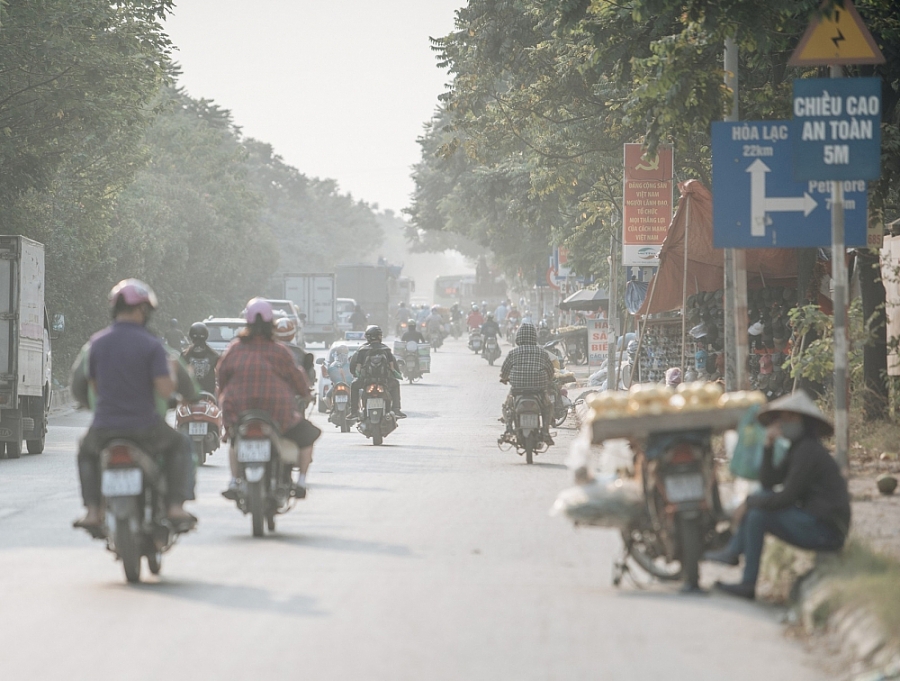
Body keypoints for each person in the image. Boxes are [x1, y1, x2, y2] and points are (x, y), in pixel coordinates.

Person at [73, 279, 197, 535]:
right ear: (142, 310)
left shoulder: (96, 343)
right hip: (145, 428)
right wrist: (172, 375)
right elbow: (164, 389)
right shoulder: (151, 345)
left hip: (104, 428)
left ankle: (93, 511)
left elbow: (94, 388)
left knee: (86, 451)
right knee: (180, 444)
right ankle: (175, 507)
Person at [705, 390, 850, 600]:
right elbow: (768, 481)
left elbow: (786, 497)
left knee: (757, 515)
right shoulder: (797, 449)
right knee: (761, 497)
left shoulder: (808, 452)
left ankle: (745, 579)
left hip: (826, 531)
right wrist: (768, 446)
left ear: (804, 422)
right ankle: (733, 552)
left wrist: (748, 502)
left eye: (790, 418)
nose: (783, 423)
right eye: (782, 418)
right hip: (812, 521)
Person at [217, 298, 321, 499]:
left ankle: (232, 480)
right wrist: (306, 394)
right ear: (271, 323)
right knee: (309, 435)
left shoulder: (234, 349)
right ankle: (301, 481)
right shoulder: (280, 350)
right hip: (277, 412)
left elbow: (221, 376)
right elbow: (297, 377)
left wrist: (224, 397)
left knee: (234, 438)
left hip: (238, 410)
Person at [499, 323, 555, 445]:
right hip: (538, 390)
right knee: (548, 407)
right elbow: (551, 372)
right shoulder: (542, 353)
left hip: (517, 389)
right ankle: (545, 431)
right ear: (535, 337)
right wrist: (548, 379)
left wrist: (504, 378)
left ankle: (508, 428)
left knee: (508, 406)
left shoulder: (513, 353)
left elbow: (504, 371)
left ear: (518, 337)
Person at [349, 325, 406, 420]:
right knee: (395, 384)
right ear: (380, 336)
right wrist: (396, 374)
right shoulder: (386, 349)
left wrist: (357, 375)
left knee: (354, 385)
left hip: (365, 381)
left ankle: (354, 411)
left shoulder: (362, 350)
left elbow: (355, 368)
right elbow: (393, 368)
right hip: (384, 381)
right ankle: (396, 409)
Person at [182, 322, 219, 395]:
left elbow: (179, 377)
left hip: (190, 396)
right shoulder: (214, 355)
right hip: (209, 396)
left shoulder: (184, 355)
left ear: (191, 336)